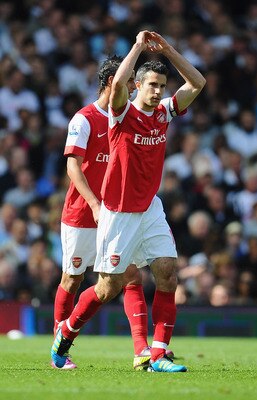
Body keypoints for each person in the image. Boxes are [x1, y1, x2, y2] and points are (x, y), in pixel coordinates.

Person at [51, 30, 206, 373]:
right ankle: (65, 333)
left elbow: (197, 83)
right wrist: (137, 47)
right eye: (151, 85)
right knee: (108, 288)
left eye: (161, 87)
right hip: (118, 213)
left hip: (149, 208)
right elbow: (119, 85)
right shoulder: (119, 115)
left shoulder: (164, 114)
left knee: (167, 272)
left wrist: (167, 49)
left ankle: (158, 354)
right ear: (137, 86)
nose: (157, 92)